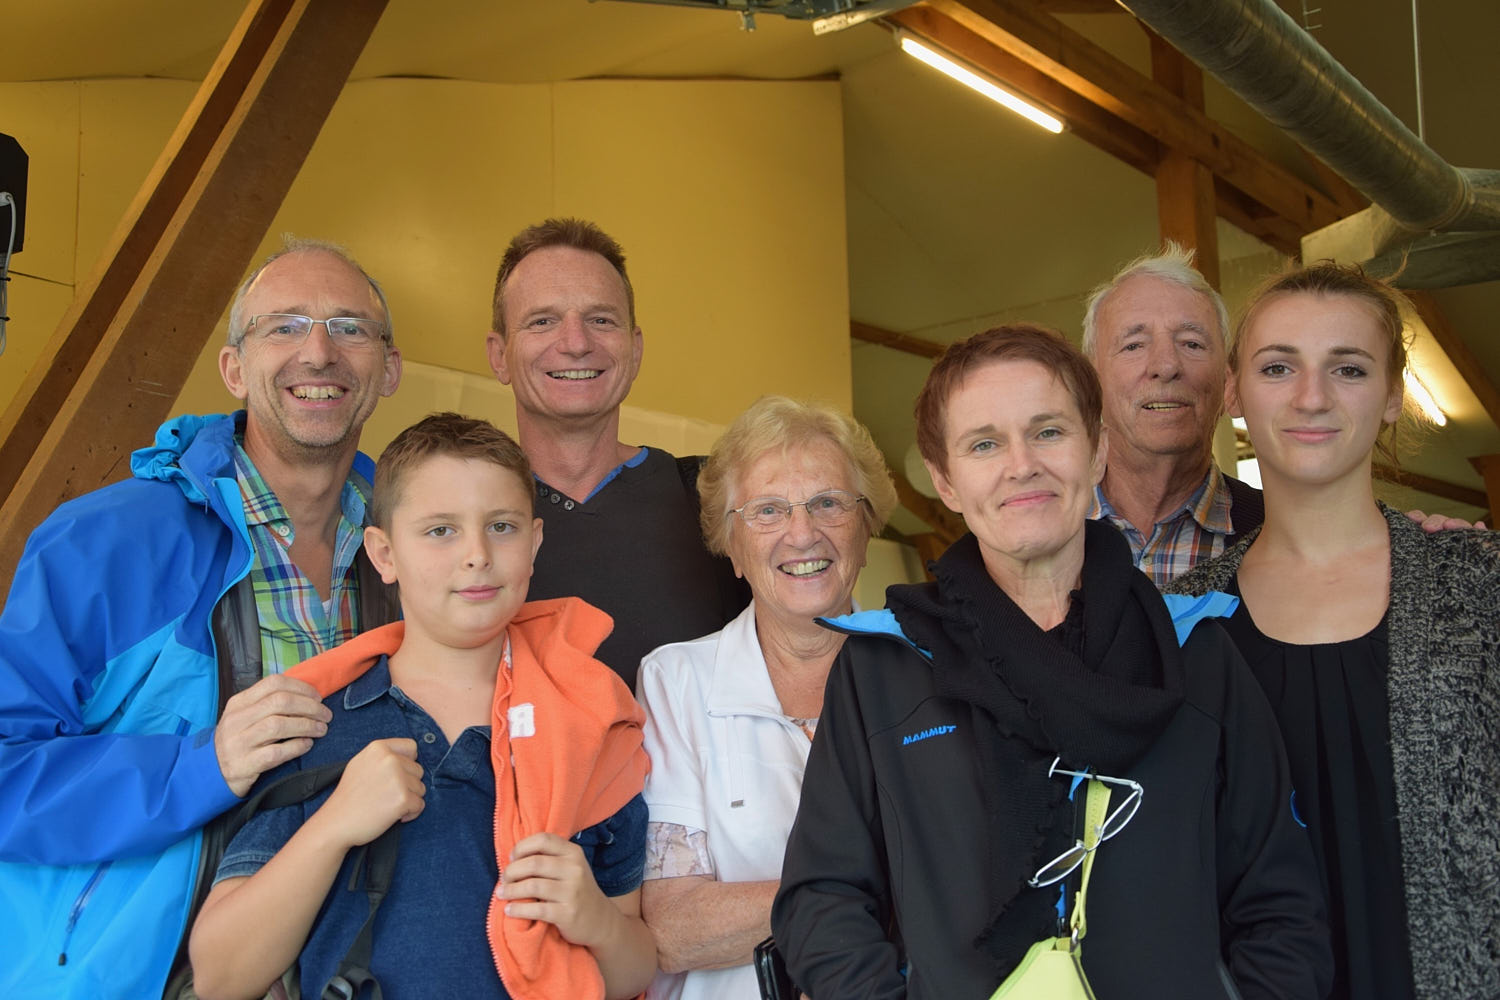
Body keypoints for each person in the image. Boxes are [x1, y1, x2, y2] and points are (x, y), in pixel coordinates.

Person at [772, 324, 1331, 998]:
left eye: (1048, 432)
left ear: (1097, 452)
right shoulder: (884, 667)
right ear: (946, 480)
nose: (1021, 465)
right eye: (984, 444)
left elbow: (1282, 907)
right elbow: (821, 899)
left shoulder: (1196, 651)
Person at [0, 239, 403, 998]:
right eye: (284, 326)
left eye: (350, 328)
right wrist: (201, 766)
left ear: (388, 369)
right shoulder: (104, 541)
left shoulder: (413, 555)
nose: (319, 352)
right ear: (233, 368)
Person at [189, 412, 657, 1000]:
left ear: (535, 543)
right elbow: (221, 978)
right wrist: (333, 826)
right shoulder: (316, 724)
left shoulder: (589, 723)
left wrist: (597, 922)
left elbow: (636, 969)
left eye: (502, 527)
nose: (477, 554)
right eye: (440, 531)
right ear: (384, 553)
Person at [1166, 262, 1500, 1000]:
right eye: (1278, 367)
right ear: (1233, 392)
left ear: (1392, 395)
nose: (1311, 397)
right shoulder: (1179, 621)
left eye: (1348, 368)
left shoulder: (1481, 586)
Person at [635, 396, 898, 1000]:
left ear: (866, 525)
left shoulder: (925, 672)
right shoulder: (676, 682)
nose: (802, 534)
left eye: (828, 503)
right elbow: (674, 930)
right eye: (768, 511)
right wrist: (871, 895)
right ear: (731, 545)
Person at [1082, 243, 1474, 585]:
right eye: (1133, 345)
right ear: (1088, 380)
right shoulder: (1047, 525)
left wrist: (1429, 551)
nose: (1166, 366)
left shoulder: (1291, 540)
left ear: (1229, 383)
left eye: (1192, 343)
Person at [485, 218, 748, 689]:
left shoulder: (717, 498)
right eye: (542, 321)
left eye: (601, 320)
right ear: (499, 355)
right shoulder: (455, 519)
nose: (576, 343)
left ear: (635, 348)